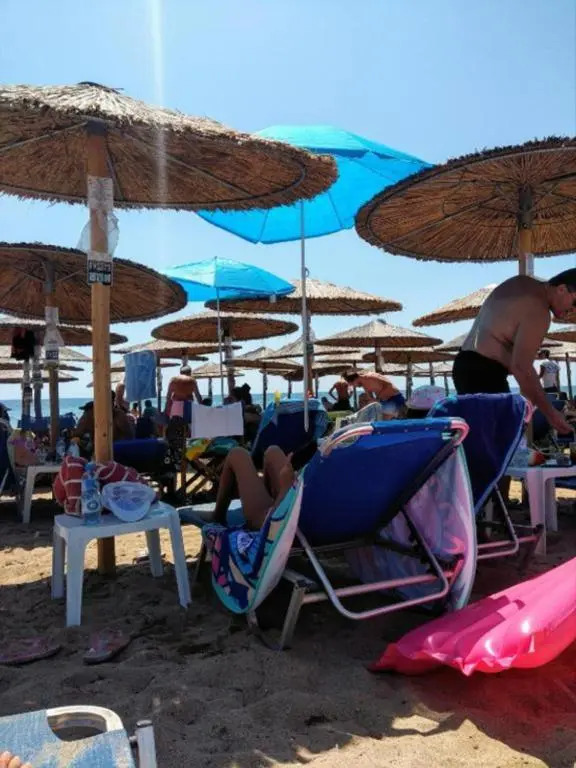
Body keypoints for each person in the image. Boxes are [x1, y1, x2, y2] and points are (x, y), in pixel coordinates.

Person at [452, 270, 576, 434]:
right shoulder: (539, 311)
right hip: (485, 375)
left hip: (463, 365)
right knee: (499, 442)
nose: (574, 310)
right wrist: (551, 414)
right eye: (575, 302)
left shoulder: (520, 282)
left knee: (479, 439)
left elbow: (498, 340)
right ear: (561, 289)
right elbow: (521, 368)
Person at [213, 445, 298, 528]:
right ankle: (265, 498)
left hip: (278, 521)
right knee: (273, 451)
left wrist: (285, 489)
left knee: (237, 454)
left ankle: (217, 517)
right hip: (294, 499)